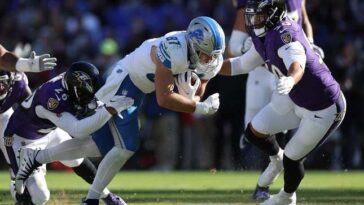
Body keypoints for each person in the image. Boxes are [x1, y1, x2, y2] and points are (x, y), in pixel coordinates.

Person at [14, 16, 225, 204]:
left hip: (140, 87)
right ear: (193, 44)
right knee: (127, 145)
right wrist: (198, 106)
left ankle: (37, 157)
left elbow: (197, 90)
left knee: (100, 146)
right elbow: (164, 98)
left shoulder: (210, 60)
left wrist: (192, 96)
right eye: (205, 55)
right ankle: (92, 199)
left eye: (213, 55)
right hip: (126, 78)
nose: (210, 60)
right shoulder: (174, 48)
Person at [220, 0, 346, 204]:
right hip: (295, 98)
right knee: (254, 132)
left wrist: (290, 79)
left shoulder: (284, 34)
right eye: (252, 16)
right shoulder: (263, 34)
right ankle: (276, 158)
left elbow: (297, 65)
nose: (253, 21)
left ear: (272, 15)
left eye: (259, 16)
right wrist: (211, 68)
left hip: (324, 107)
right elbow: (241, 64)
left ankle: (287, 197)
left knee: (293, 158)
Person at [3, 61, 133, 205]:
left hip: (48, 129)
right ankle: (17, 188)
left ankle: (107, 196)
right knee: (39, 197)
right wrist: (109, 110)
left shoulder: (70, 84)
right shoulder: (53, 98)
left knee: (76, 159)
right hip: (23, 140)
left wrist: (106, 106)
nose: (88, 98)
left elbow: (90, 103)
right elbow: (78, 131)